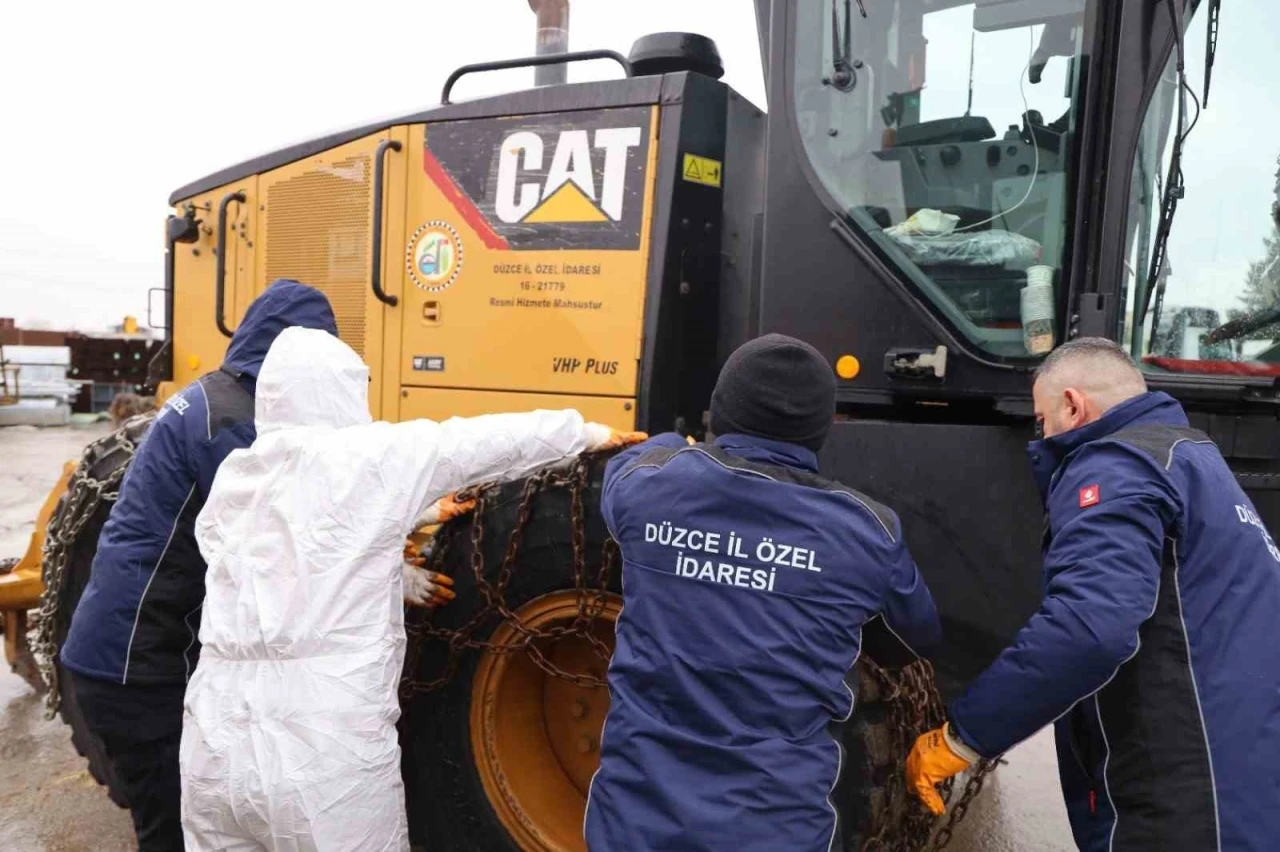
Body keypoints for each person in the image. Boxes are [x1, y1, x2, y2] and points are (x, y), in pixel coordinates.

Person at [179, 325, 642, 852]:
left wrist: (414, 513)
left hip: (214, 738)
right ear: (340, 389)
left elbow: (291, 547)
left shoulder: (238, 477)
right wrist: (583, 435)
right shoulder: (365, 459)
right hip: (322, 746)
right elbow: (479, 443)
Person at [907, 338, 1280, 852]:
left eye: (1042, 420)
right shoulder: (1195, 463)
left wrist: (965, 736)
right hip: (1242, 776)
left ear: (1072, 404)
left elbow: (1090, 627)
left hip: (1184, 794)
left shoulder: (1114, 467)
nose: (1042, 435)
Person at [584, 334, 942, 852]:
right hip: (774, 829)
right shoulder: (867, 532)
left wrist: (676, 448)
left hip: (633, 824)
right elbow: (916, 635)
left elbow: (631, 463)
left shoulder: (650, 487)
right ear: (820, 429)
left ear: (721, 411)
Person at [59, 279, 339, 851]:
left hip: (119, 654)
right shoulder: (235, 425)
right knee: (176, 828)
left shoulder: (212, 396)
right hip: (137, 670)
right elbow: (290, 532)